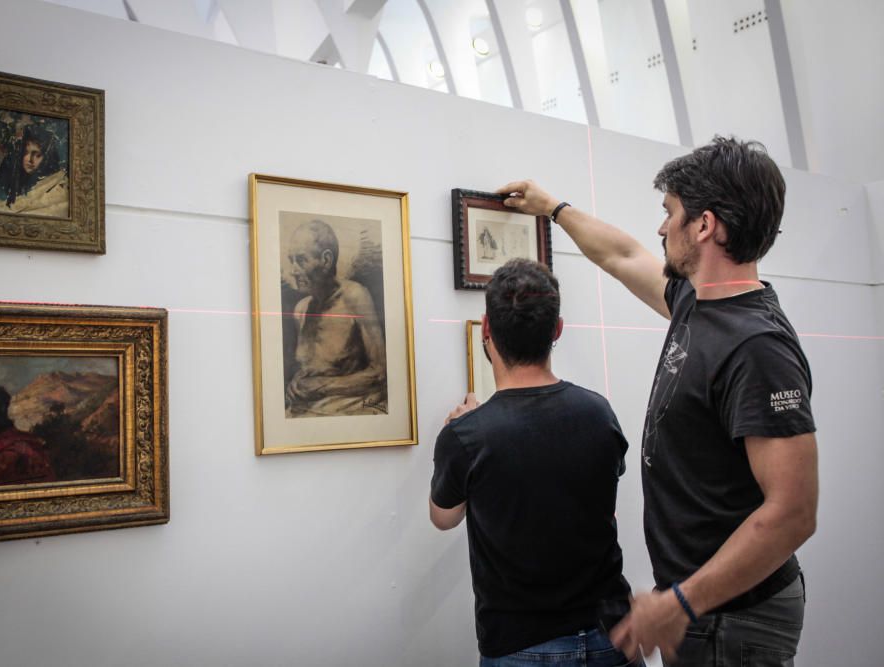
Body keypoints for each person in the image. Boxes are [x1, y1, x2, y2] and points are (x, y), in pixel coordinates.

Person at [497, 135, 818, 666]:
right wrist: (553, 208)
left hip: (731, 617)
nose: (662, 226)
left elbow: (794, 512)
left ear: (705, 225)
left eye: (670, 213)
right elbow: (623, 256)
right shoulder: (696, 300)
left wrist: (682, 604)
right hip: (705, 609)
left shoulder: (757, 347)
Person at [430, 258, 640, 666]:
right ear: (557, 329)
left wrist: (459, 434)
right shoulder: (599, 413)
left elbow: (444, 518)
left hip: (519, 646)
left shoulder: (467, 436)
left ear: (487, 330)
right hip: (611, 634)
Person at [284, 219, 387, 417]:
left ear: (326, 260)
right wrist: (296, 383)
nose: (293, 271)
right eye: (291, 261)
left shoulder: (355, 297)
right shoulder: (301, 310)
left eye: (301, 260)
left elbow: (379, 372)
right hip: (306, 408)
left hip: (348, 408)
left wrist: (323, 387)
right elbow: (312, 368)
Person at [0, 122, 69, 217]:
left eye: (37, 155)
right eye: (26, 152)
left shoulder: (56, 188)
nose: (29, 160)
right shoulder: (16, 179)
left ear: (47, 158)